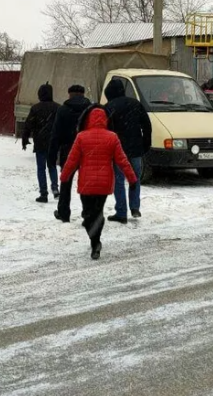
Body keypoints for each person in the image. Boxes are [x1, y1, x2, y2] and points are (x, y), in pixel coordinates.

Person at [60, 105, 139, 260]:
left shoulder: (81, 137)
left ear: (89, 120)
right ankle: (96, 241)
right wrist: (132, 178)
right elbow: (122, 160)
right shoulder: (112, 137)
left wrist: (64, 176)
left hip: (86, 184)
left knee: (88, 214)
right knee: (97, 212)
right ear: (105, 120)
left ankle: (94, 241)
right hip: (104, 184)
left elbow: (71, 160)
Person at [103, 78, 152, 223]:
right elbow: (146, 125)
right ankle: (135, 207)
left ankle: (121, 212)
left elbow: (106, 130)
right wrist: (146, 143)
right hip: (136, 148)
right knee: (134, 178)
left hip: (118, 150)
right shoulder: (135, 103)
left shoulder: (108, 107)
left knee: (118, 180)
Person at [49, 85, 92, 223]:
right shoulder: (91, 110)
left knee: (66, 182)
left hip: (68, 151)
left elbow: (56, 134)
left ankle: (63, 212)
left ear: (70, 94)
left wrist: (52, 155)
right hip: (87, 151)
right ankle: (88, 213)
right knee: (86, 183)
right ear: (83, 94)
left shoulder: (63, 110)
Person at [22, 83, 61, 203]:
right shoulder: (58, 107)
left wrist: (25, 138)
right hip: (53, 141)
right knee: (52, 166)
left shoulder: (35, 108)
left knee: (41, 168)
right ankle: (55, 188)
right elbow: (61, 125)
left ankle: (43, 193)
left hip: (40, 141)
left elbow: (28, 125)